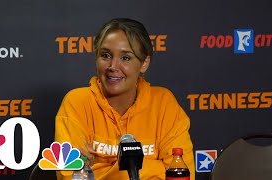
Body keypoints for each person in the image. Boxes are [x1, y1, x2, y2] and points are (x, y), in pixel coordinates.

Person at [55, 18, 195, 180]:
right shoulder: (76, 103)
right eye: (105, 55)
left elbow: (181, 175)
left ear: (144, 63)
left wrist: (100, 171)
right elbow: (69, 176)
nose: (113, 66)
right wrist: (154, 167)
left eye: (126, 58)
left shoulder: (164, 103)